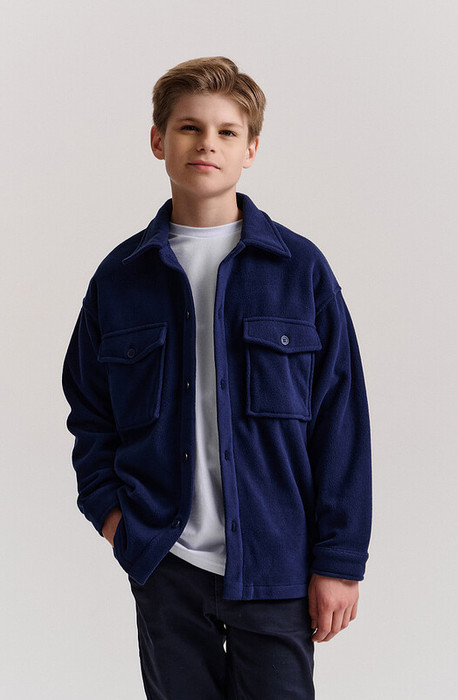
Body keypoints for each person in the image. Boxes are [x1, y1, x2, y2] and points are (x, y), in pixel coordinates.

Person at [62, 56, 372, 699]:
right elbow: (90, 411)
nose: (207, 143)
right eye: (189, 127)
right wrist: (115, 518)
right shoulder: (120, 278)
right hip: (165, 563)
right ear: (158, 141)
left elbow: (341, 421)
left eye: (227, 131)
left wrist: (340, 561)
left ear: (250, 149)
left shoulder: (300, 270)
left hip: (276, 564)